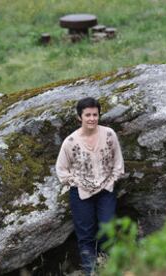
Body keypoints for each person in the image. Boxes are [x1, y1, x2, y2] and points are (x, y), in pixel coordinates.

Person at [55, 97, 124, 274]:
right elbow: (61, 170)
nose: (92, 118)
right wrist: (78, 182)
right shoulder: (70, 142)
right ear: (80, 117)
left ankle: (109, 269)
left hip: (106, 191)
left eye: (95, 114)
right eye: (88, 115)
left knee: (107, 229)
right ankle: (91, 272)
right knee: (85, 236)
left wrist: (113, 179)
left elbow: (118, 162)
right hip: (81, 195)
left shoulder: (109, 134)